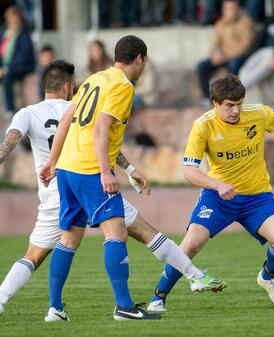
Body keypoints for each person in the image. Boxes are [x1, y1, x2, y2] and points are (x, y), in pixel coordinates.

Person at [0, 60, 224, 321]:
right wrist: (128, 168)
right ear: (68, 86)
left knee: (37, 254)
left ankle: (13, 302)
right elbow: (99, 136)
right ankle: (185, 279)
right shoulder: (81, 102)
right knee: (137, 232)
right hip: (89, 178)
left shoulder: (28, 112)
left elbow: (12, 138)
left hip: (57, 188)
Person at [38, 36, 225, 322]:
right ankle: (124, 306)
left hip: (66, 168)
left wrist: (52, 161)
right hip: (90, 170)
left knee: (69, 238)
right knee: (117, 233)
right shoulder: (123, 86)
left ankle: (54, 308)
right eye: (144, 62)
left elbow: (67, 120)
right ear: (139, 59)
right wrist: (104, 171)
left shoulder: (95, 79)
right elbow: (101, 128)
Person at [146, 73, 274, 312]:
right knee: (191, 244)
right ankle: (159, 297)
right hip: (219, 196)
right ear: (215, 104)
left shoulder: (259, 113)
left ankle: (268, 277)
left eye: (239, 104)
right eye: (229, 106)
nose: (236, 111)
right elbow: (189, 172)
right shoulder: (203, 125)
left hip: (257, 195)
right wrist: (217, 184)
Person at [196, 0, 255, 106]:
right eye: (229, 9)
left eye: (234, 8)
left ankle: (233, 98)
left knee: (234, 65)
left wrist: (226, 56)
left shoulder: (246, 22)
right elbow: (215, 43)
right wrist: (214, 55)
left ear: (238, 9)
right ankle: (207, 100)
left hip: (237, 57)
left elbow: (245, 46)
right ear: (224, 10)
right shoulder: (221, 23)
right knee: (201, 67)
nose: (232, 11)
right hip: (222, 57)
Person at [0, 5, 35, 116]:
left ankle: (10, 109)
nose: (14, 22)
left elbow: (23, 58)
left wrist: (7, 69)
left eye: (16, 20)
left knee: (7, 78)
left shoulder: (25, 35)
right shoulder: (4, 33)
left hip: (20, 69)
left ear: (20, 20)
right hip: (3, 69)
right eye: (11, 20)